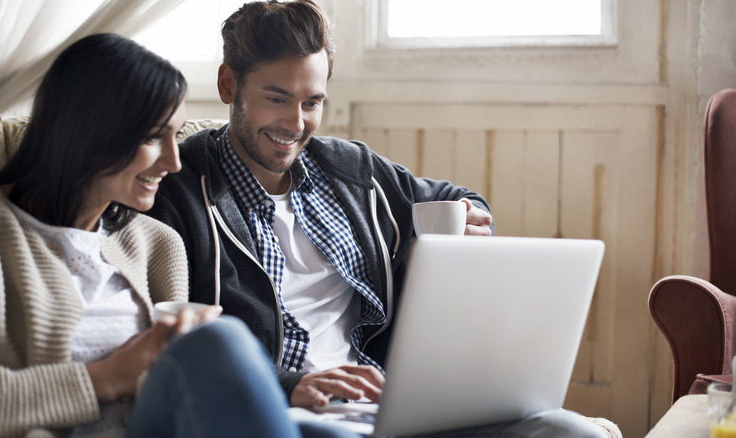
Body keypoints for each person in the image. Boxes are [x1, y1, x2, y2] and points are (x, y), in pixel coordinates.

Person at [146, 1, 608, 436]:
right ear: (229, 85)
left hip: (392, 405)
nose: (295, 123)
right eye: (277, 98)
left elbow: (453, 196)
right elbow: (177, 348)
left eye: (312, 103)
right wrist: (289, 385)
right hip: (285, 412)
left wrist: (471, 216)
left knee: (570, 431)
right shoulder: (178, 190)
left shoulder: (351, 171)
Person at [0, 32, 359, 438]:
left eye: (176, 134)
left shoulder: (155, 243)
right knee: (219, 339)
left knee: (338, 434)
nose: (172, 160)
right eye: (154, 137)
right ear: (87, 131)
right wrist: (108, 377)